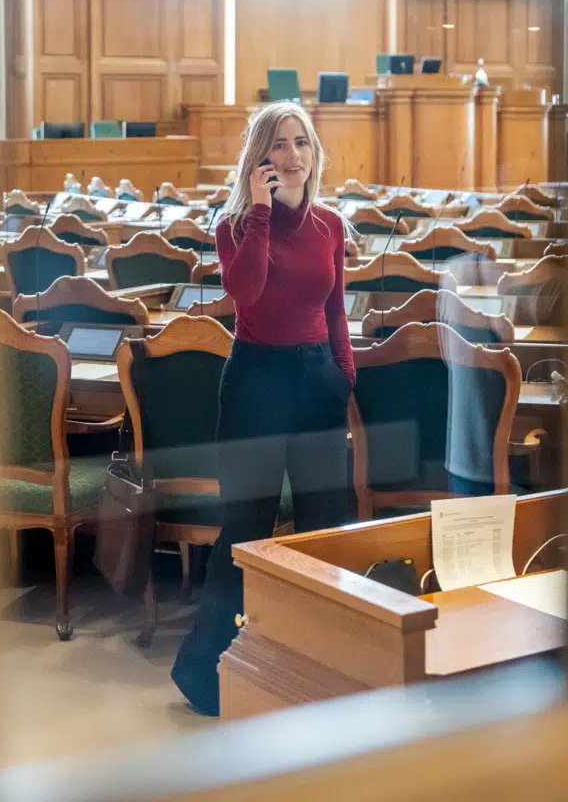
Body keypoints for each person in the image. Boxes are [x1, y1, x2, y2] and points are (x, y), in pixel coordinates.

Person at [170, 102, 355, 716]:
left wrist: (343, 378)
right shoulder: (235, 225)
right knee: (245, 528)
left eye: (301, 143)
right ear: (260, 158)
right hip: (254, 382)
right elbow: (243, 290)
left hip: (316, 381)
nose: (292, 155)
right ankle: (208, 674)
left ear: (313, 154)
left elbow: (335, 313)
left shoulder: (330, 224)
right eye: (278, 145)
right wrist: (259, 213)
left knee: (325, 527)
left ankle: (326, 668)